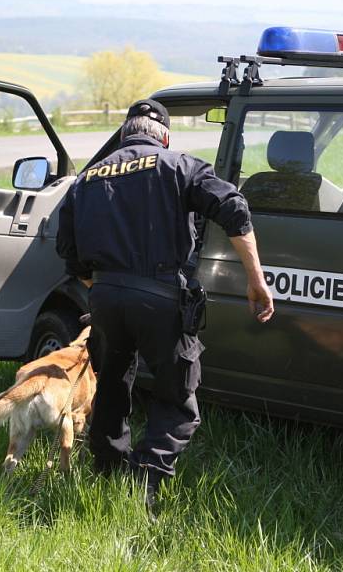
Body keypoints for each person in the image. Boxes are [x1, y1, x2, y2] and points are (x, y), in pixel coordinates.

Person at [57, 99, 274, 513]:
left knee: (113, 386)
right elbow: (234, 208)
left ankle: (107, 471)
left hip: (103, 298)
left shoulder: (86, 179)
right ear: (165, 137)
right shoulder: (178, 165)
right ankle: (142, 482)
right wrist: (256, 280)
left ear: (124, 136)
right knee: (178, 401)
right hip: (159, 298)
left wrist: (107, 287)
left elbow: (68, 251)